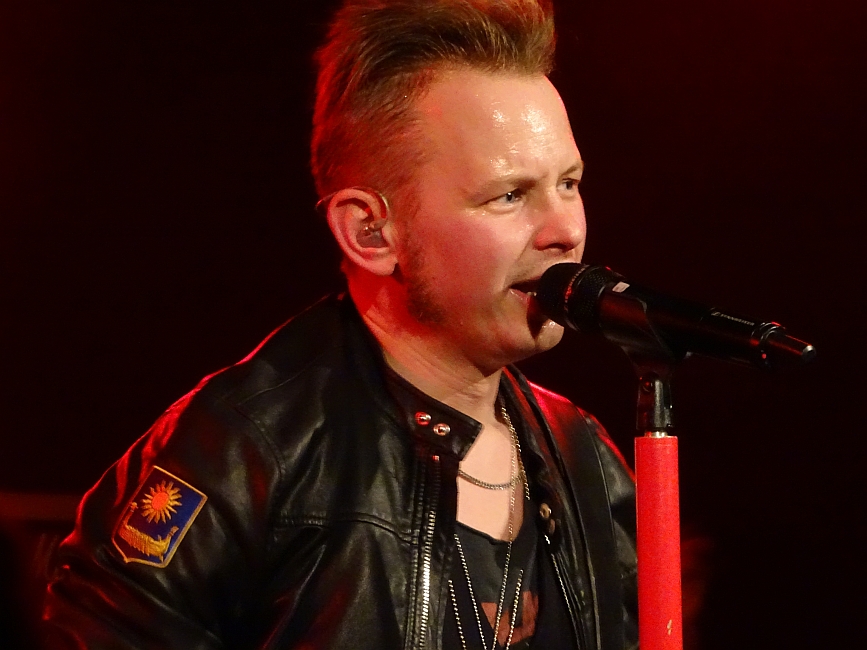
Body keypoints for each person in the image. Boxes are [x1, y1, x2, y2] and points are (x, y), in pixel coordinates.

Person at [43, 1, 637, 648]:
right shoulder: (245, 449)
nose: (565, 231)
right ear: (370, 232)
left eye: (569, 183)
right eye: (509, 195)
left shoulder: (584, 458)